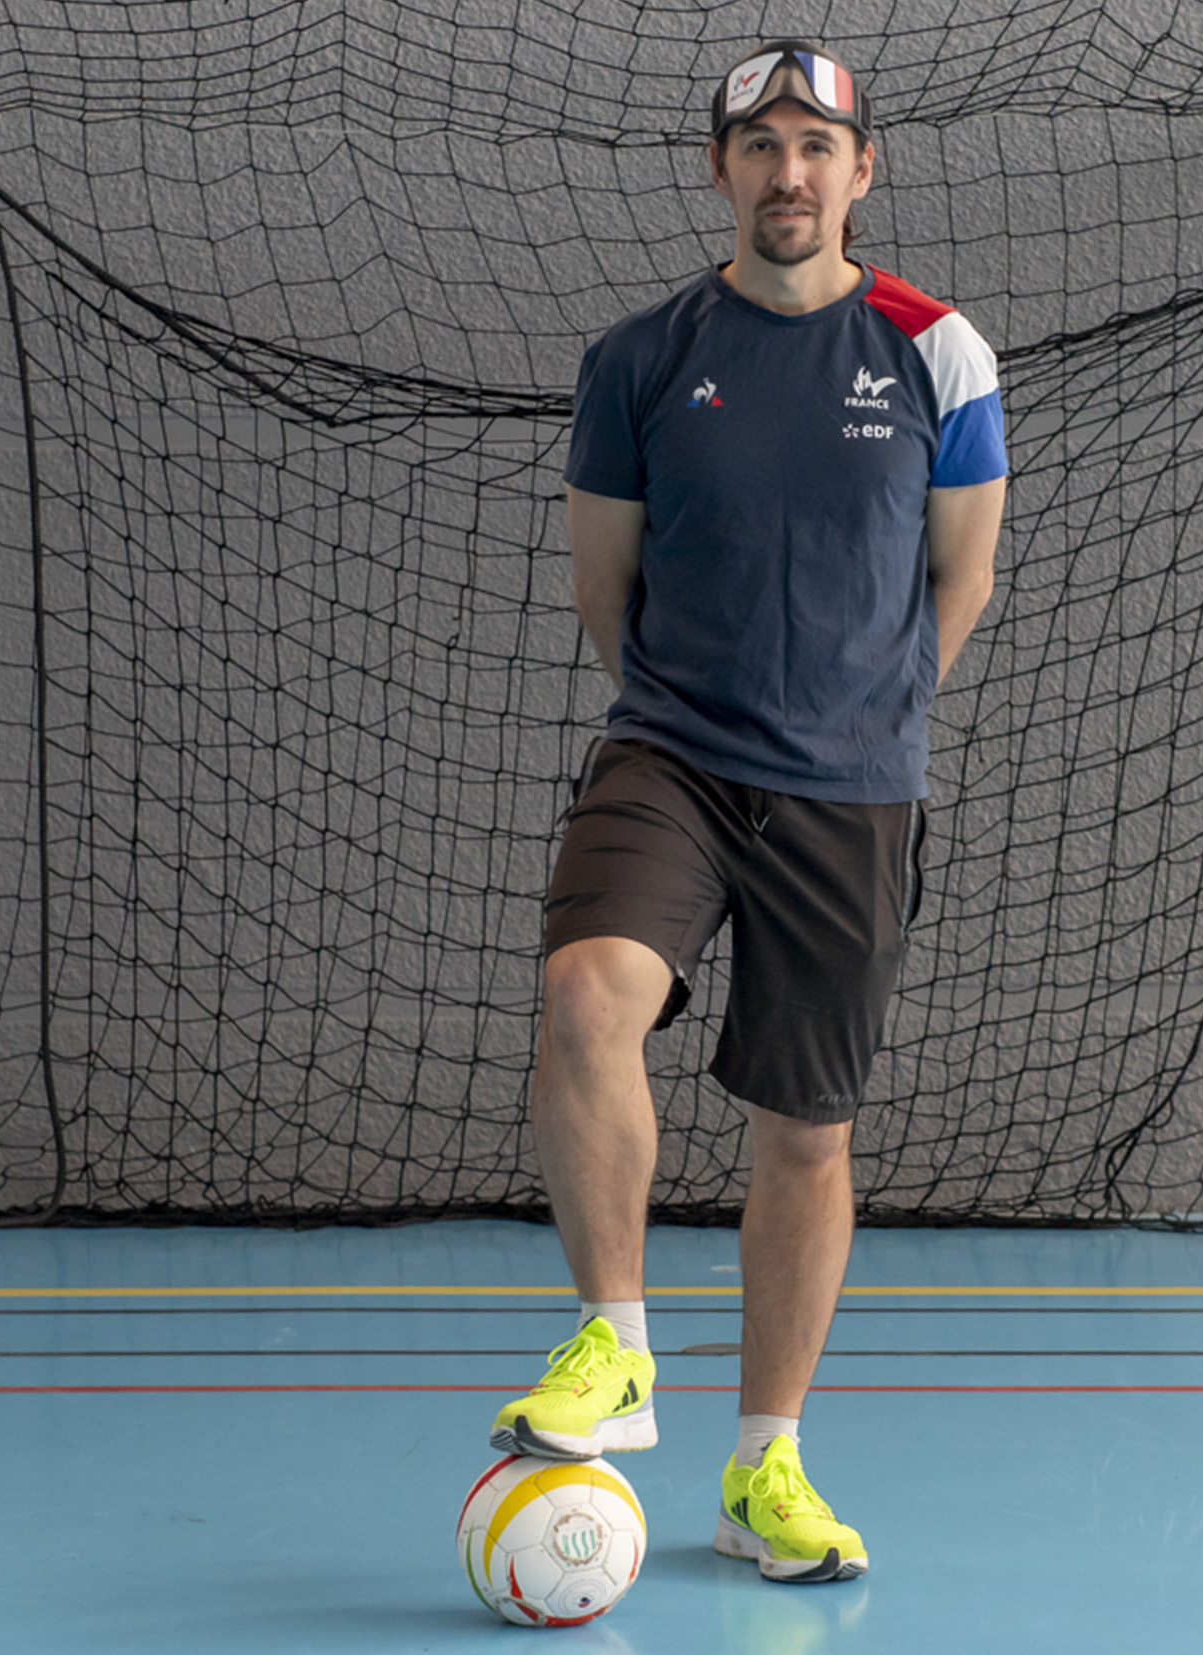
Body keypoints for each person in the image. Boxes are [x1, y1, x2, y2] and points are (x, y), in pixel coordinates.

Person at [488, 41, 1009, 1585]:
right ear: (720, 168)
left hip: (853, 787)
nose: (790, 172)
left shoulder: (938, 351)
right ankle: (617, 1345)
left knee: (808, 1135)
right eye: (761, 145)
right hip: (674, 755)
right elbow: (606, 590)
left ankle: (763, 1467)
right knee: (586, 994)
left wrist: (865, 716)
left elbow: (957, 577)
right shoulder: (641, 357)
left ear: (864, 171)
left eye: (816, 147)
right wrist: (699, 714)